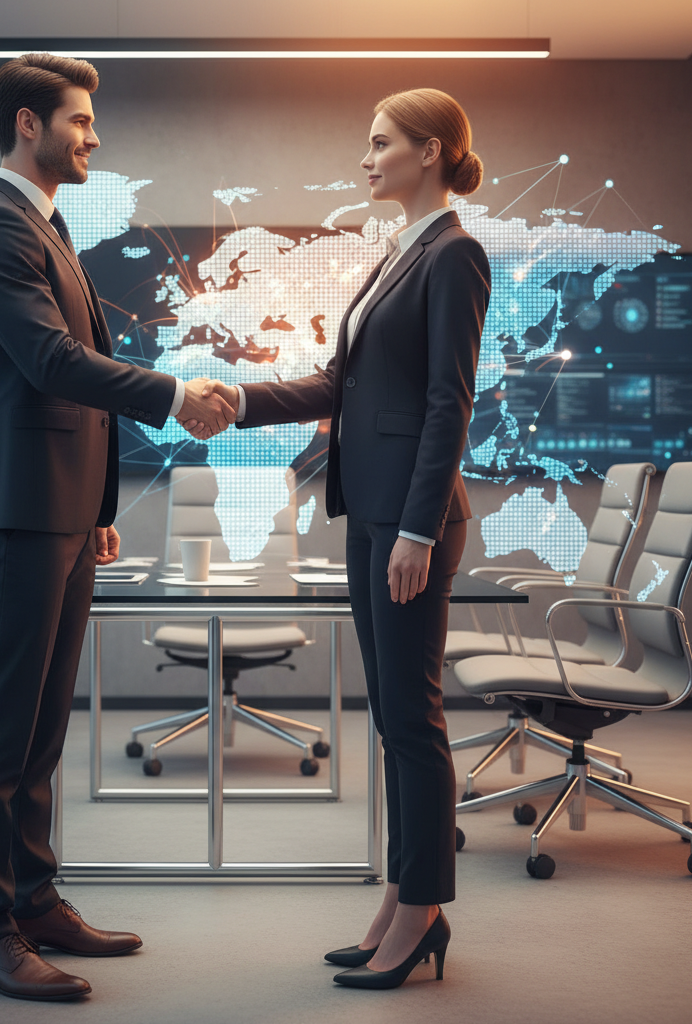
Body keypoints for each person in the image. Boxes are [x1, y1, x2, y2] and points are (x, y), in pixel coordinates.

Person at [0, 52, 234, 1002]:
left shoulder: (45, 225)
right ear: (28, 125)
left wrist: (100, 506)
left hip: (63, 509)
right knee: (0, 731)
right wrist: (175, 393)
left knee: (39, 731)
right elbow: (48, 362)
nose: (93, 136)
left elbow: (75, 379)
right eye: (78, 120)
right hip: (20, 510)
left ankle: (34, 898)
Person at [195, 88, 490, 990]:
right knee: (395, 719)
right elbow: (340, 383)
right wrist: (238, 401)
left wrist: (415, 528)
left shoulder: (456, 252)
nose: (365, 159)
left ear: (431, 151)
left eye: (380, 143)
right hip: (368, 511)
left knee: (413, 718)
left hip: (408, 521)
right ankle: (404, 900)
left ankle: (423, 912)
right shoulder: (397, 252)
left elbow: (449, 404)